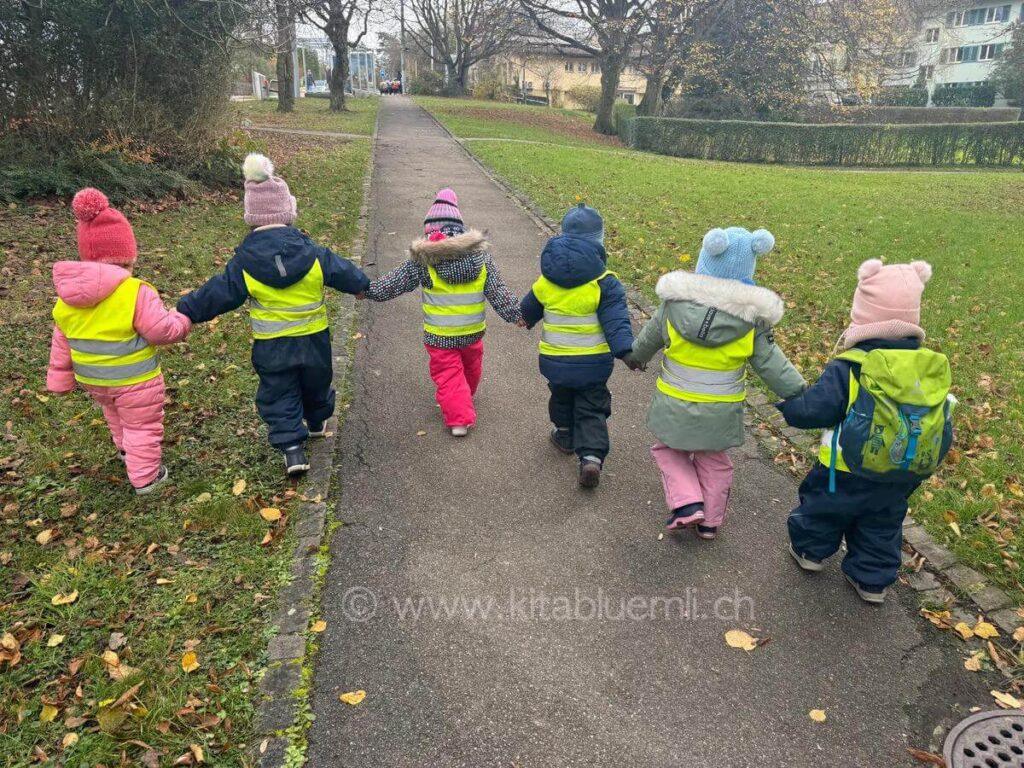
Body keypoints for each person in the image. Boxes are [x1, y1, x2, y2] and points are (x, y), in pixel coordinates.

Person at [176, 153, 369, 476]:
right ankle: (318, 421)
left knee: (278, 391)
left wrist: (188, 310)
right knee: (317, 383)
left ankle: (292, 449)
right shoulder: (314, 254)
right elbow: (344, 272)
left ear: (250, 218)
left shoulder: (244, 263)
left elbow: (218, 292)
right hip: (313, 340)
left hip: (272, 344)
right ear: (289, 212)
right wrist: (362, 286)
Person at [779, 259, 951, 604]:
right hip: (901, 470)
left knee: (823, 508)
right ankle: (872, 581)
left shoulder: (852, 366)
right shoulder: (929, 367)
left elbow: (817, 408)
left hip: (844, 468)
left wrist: (789, 407)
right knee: (882, 524)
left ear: (863, 315)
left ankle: (810, 553)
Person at [628, 227, 805, 539]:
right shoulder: (751, 321)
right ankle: (709, 521)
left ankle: (685, 505)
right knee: (715, 460)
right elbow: (770, 363)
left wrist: (636, 357)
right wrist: (799, 392)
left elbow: (649, 338)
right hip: (722, 410)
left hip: (674, 401)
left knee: (669, 449)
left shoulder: (673, 306)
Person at [47, 188, 192, 494]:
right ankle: (145, 477)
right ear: (126, 255)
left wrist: (60, 379)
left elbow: (61, 340)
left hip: (94, 379)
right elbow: (159, 330)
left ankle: (125, 451)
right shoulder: (134, 291)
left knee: (114, 413)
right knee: (142, 425)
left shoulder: (67, 299)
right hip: (134, 379)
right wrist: (181, 320)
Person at [365, 188, 521, 435]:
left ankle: (459, 418)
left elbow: (395, 282)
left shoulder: (423, 261)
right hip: (472, 331)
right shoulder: (481, 259)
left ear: (428, 231)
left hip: (440, 335)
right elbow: (498, 291)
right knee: (471, 365)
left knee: (448, 374)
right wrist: (517, 314)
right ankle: (465, 395)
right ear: (460, 229)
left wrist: (369, 290)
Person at [520, 204, 633, 488]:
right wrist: (627, 352)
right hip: (593, 363)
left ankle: (565, 435)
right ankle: (592, 457)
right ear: (599, 241)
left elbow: (528, 308)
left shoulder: (547, 280)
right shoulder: (605, 283)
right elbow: (616, 322)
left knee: (560, 395)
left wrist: (524, 318)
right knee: (592, 405)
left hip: (554, 360)